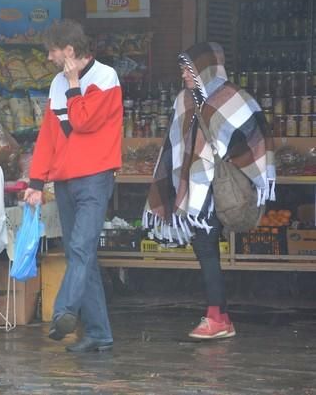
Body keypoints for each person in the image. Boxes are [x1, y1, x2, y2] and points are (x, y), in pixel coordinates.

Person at [144, 42, 275, 340]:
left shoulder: (234, 99)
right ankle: (220, 316)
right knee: (205, 249)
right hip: (195, 188)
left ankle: (217, 316)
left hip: (221, 187)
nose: (184, 74)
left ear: (206, 67)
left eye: (189, 68)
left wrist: (238, 166)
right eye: (182, 68)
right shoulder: (183, 100)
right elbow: (176, 146)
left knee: (205, 248)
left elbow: (256, 137)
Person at [24, 19, 123, 353]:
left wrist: (72, 83)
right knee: (82, 254)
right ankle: (99, 333)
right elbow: (49, 135)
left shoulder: (106, 77)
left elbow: (82, 121)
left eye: (52, 50)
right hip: (66, 180)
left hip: (95, 177)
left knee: (80, 248)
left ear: (68, 50)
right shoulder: (56, 83)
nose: (50, 57)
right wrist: (36, 181)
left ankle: (64, 312)